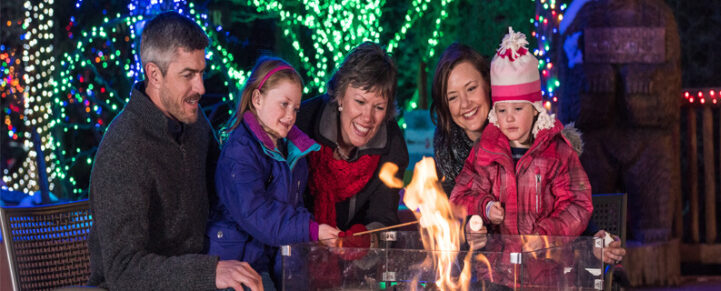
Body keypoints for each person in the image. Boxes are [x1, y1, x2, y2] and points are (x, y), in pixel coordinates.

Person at [87, 12, 262, 291]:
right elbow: (123, 270)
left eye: (201, 72)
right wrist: (209, 271)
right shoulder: (123, 151)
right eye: (188, 75)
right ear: (154, 74)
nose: (201, 87)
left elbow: (227, 191)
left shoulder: (192, 122)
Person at [431, 40, 625, 264]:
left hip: (545, 265)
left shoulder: (546, 146)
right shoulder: (454, 153)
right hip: (486, 270)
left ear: (489, 85)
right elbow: (452, 215)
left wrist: (592, 239)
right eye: (452, 97)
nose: (464, 103)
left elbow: (571, 201)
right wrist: (473, 225)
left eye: (471, 88)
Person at [205, 56, 340, 290]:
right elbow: (257, 212)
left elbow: (293, 207)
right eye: (284, 104)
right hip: (239, 262)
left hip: (271, 262)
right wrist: (310, 229)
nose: (290, 116)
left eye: (296, 108)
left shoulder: (292, 152)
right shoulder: (240, 152)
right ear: (257, 99)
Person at [296, 41, 408, 233]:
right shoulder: (302, 123)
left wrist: (364, 241)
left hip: (358, 258)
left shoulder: (392, 144)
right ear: (340, 95)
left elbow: (384, 218)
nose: (368, 117)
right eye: (360, 101)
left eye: (379, 107)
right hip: (300, 248)